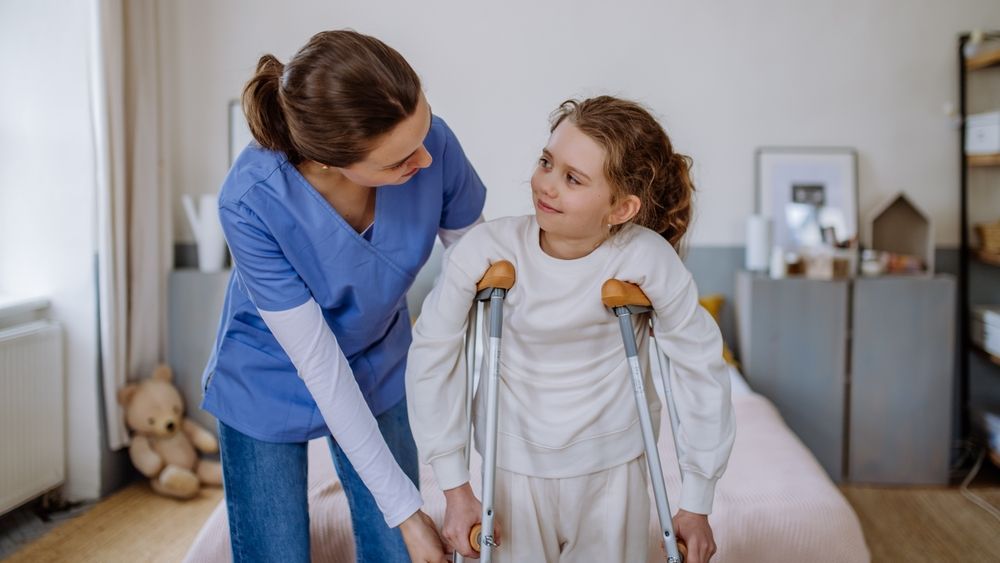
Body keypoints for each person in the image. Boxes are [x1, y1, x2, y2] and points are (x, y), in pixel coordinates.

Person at [406, 96, 735, 563]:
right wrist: (455, 488)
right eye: (546, 162)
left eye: (572, 178)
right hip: (513, 466)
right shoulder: (487, 247)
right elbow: (433, 354)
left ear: (621, 208)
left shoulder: (645, 257)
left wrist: (698, 499)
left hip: (614, 468)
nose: (546, 185)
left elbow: (699, 366)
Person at [201, 30, 486, 563]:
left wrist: (457, 482)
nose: (425, 159)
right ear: (330, 160)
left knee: (399, 552)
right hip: (268, 371)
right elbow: (319, 363)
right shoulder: (251, 201)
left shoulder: (433, 146)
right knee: (275, 551)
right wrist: (405, 512)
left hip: (380, 355)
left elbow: (481, 278)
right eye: (399, 159)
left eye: (424, 131)